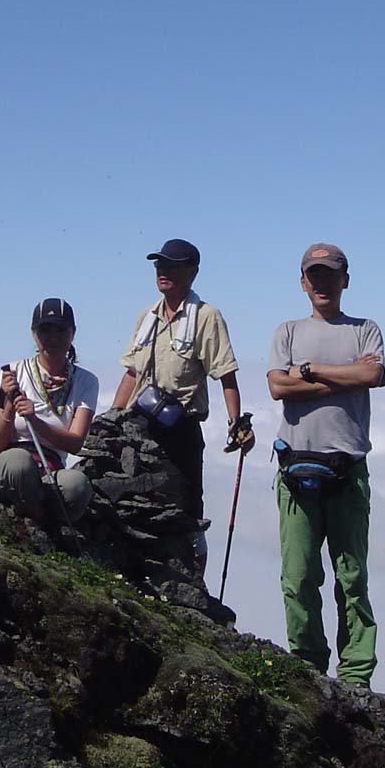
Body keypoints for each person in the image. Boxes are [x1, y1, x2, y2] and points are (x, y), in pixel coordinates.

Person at [266, 243, 385, 687]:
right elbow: (278, 388)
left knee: (351, 578)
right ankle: (307, 667)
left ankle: (355, 673)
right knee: (298, 578)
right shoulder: (287, 331)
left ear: (345, 280)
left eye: (330, 274)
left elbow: (372, 375)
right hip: (295, 470)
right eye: (314, 274)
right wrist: (343, 377)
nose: (322, 282)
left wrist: (310, 371)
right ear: (303, 282)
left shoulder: (364, 329)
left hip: (348, 470)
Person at [111, 239, 248, 570]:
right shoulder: (147, 317)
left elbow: (225, 374)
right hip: (138, 428)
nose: (164, 272)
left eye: (172, 266)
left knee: (187, 512)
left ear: (192, 272)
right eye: (160, 265)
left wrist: (236, 423)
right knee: (137, 507)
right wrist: (112, 419)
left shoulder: (206, 317)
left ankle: (192, 579)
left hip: (180, 429)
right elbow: (132, 372)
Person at [0, 298, 98, 529]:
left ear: (73, 333)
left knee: (76, 486)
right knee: (20, 463)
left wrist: (34, 420)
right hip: (6, 462)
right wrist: (10, 403)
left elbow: (75, 443)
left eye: (60, 330)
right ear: (33, 333)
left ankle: (33, 510)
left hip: (49, 469)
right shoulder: (12, 373)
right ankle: (42, 524)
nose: (52, 338)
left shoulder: (86, 381)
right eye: (45, 330)